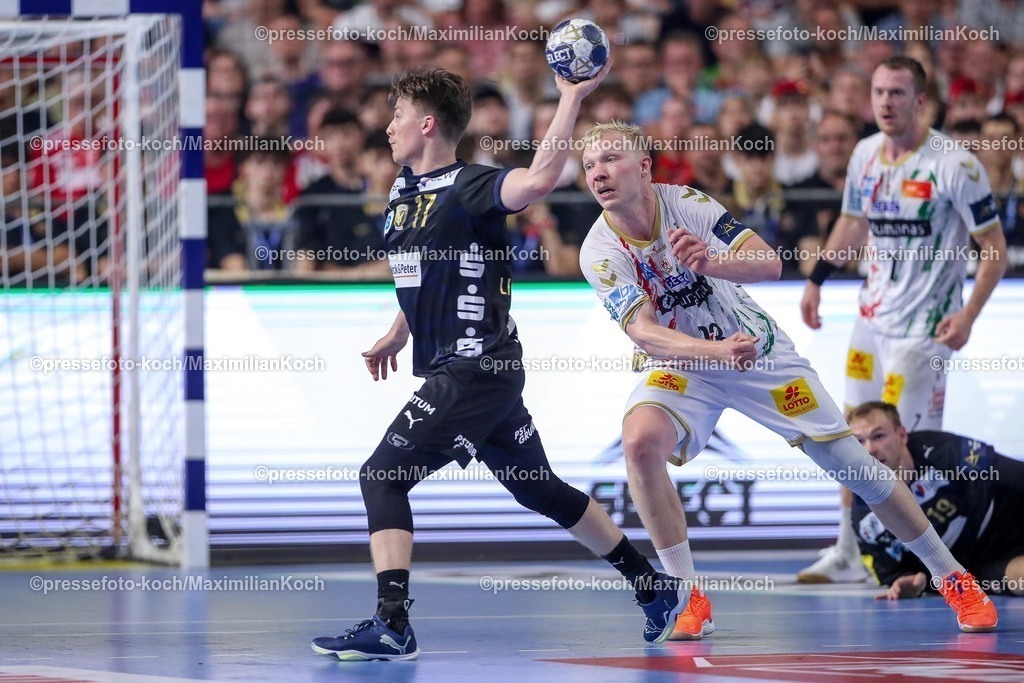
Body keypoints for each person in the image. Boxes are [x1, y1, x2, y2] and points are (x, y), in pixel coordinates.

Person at [311, 64, 693, 662]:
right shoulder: (402, 191)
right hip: (468, 370)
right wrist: (396, 332)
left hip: (474, 368)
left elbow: (541, 179)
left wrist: (569, 96)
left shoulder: (472, 185)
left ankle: (392, 623)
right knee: (537, 487)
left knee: (382, 475)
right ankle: (654, 589)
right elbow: (420, 276)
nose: (387, 127)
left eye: (397, 115)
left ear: (428, 124)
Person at [577, 119, 998, 639]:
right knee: (639, 443)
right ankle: (688, 596)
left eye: (610, 159)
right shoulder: (598, 249)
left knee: (855, 468)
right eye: (589, 164)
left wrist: (713, 261)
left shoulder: (687, 203)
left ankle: (953, 576)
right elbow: (644, 334)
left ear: (643, 166)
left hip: (758, 354)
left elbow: (768, 263)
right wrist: (712, 351)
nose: (598, 172)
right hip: (687, 362)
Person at [798, 56, 1007, 583]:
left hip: (925, 331)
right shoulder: (865, 154)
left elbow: (994, 247)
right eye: (879, 92)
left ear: (921, 101)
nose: (886, 103)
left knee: (905, 448)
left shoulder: (956, 165)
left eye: (897, 93)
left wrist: (969, 314)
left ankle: (926, 562)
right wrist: (818, 278)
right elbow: (851, 222)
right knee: (848, 437)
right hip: (870, 322)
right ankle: (848, 548)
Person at [846, 401, 1024, 601]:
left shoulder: (939, 449)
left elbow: (1014, 473)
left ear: (902, 435)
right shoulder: (864, 517)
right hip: (978, 566)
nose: (869, 449)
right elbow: (891, 571)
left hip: (1008, 517)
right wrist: (909, 582)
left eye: (878, 436)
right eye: (858, 442)